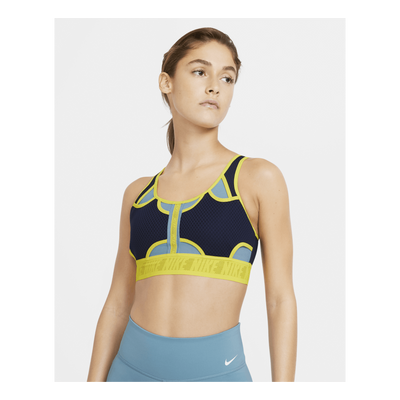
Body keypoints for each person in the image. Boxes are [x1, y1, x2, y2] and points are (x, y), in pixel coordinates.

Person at [87, 27, 297, 385]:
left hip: (219, 375)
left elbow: (280, 299)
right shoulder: (138, 195)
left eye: (227, 78)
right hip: (129, 374)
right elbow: (118, 303)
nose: (215, 86)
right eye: (200, 72)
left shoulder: (256, 179)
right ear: (166, 82)